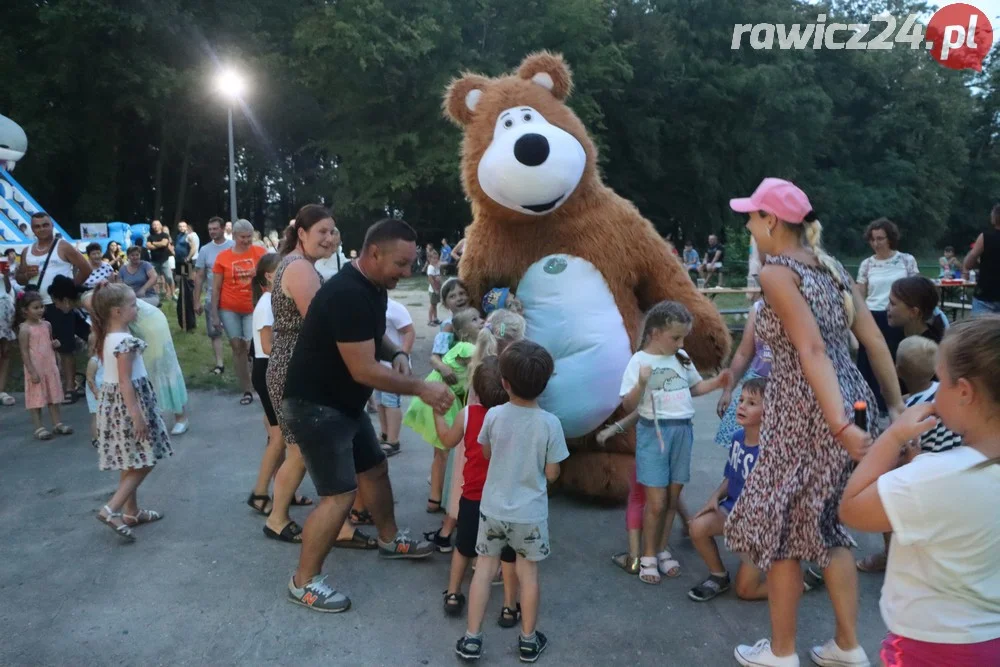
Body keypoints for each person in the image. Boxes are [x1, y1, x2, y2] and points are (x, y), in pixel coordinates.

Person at [725, 178, 904, 667]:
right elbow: (871, 341)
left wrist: (840, 425)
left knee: (784, 527)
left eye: (752, 215)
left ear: (772, 221)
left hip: (805, 407)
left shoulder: (777, 274)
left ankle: (781, 653)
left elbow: (811, 348)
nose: (747, 224)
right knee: (827, 525)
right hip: (847, 394)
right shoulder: (832, 267)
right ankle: (848, 644)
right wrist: (896, 407)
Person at [280, 218, 454, 613]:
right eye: (401, 264)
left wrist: (396, 352)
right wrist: (423, 389)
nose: (407, 272)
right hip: (315, 406)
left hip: (343, 402)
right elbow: (363, 370)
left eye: (411, 264)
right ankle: (303, 582)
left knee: (374, 469)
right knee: (339, 496)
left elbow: (372, 335)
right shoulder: (347, 294)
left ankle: (389, 539)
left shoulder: (371, 286)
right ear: (374, 253)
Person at [839, 316, 1000, 667]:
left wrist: (893, 436)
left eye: (940, 380)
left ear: (964, 392)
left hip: (931, 646)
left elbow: (851, 509)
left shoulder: (936, 476)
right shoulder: (940, 474)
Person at [455, 340, 568, 662]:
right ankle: (528, 640)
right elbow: (552, 473)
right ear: (545, 384)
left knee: (484, 570)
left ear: (504, 383)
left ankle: (472, 638)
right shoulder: (550, 424)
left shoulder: (492, 416)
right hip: (529, 514)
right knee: (527, 575)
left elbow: (487, 453)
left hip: (492, 509)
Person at [265, 205, 362, 546]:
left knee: (300, 451)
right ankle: (326, 522)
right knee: (311, 450)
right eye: (321, 231)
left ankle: (278, 518)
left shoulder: (299, 264)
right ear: (301, 233)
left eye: (333, 231)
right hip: (294, 370)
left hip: (294, 367)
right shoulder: (299, 269)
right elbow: (320, 324)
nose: (330, 237)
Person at [619, 301, 730, 585]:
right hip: (654, 433)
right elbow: (628, 404)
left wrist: (717, 382)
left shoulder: (680, 357)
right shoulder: (639, 362)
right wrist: (641, 384)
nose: (681, 343)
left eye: (683, 338)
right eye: (675, 337)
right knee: (655, 502)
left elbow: (693, 388)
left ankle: (661, 547)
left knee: (670, 498)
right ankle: (647, 555)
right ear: (655, 333)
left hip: (683, 431)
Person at [855, 335, 964, 574]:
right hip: (953, 468)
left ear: (898, 370)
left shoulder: (912, 413)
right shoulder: (939, 393)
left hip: (926, 475)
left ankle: (890, 554)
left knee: (886, 497)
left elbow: (908, 452)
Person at [434, 355, 520, 620]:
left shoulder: (468, 414)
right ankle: (508, 607)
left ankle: (452, 593)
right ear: (508, 386)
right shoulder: (517, 417)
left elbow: (447, 440)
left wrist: (438, 414)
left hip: (472, 497)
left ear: (476, 388)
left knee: (464, 548)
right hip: (505, 500)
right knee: (507, 555)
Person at [91, 283, 171, 542]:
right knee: (146, 459)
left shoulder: (109, 336)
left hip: (116, 403)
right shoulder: (124, 342)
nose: (137, 308)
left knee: (130, 459)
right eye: (133, 305)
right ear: (116, 311)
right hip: (128, 405)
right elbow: (125, 381)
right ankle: (111, 508)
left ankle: (131, 512)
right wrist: (137, 416)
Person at [690, 379, 768, 601]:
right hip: (732, 511)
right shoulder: (737, 439)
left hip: (759, 525)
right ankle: (718, 576)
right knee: (697, 526)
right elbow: (731, 475)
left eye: (752, 403)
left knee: (745, 591)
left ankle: (796, 583)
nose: (741, 406)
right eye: (741, 399)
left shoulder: (771, 451)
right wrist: (714, 497)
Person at [404, 307, 483, 526]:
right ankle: (445, 499)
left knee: (441, 453)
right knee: (446, 451)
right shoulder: (467, 347)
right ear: (464, 333)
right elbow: (484, 367)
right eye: (475, 320)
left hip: (437, 399)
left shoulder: (463, 346)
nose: (481, 321)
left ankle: (435, 498)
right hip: (438, 400)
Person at [15, 212, 92, 398]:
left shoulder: (63, 246)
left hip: (58, 305)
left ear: (51, 226)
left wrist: (68, 291)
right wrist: (25, 275)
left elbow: (86, 268)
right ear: (32, 229)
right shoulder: (27, 251)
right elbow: (19, 278)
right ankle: (49, 387)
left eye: (45, 225)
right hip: (36, 307)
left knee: (65, 347)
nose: (42, 229)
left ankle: (70, 389)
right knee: (42, 348)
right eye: (37, 226)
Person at [856, 217, 920, 413]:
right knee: (870, 362)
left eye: (881, 238)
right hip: (873, 315)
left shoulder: (906, 260)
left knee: (897, 358)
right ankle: (871, 402)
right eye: (873, 239)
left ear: (890, 238)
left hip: (899, 316)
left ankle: (898, 401)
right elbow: (860, 295)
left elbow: (916, 288)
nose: (876, 243)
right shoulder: (867, 264)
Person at [247, 253, 287, 517]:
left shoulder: (271, 301)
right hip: (268, 369)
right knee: (279, 436)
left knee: (279, 436)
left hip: (268, 369)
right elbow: (266, 345)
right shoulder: (267, 303)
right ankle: (260, 493)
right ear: (270, 276)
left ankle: (284, 491)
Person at [210, 219, 267, 406]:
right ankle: (246, 389)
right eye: (243, 237)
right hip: (229, 308)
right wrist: (214, 314)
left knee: (252, 346)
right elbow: (216, 288)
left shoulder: (260, 253)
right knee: (237, 347)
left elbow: (270, 277)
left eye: (249, 237)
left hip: (254, 307)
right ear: (234, 236)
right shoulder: (223, 258)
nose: (246, 241)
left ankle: (261, 384)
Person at [714, 298, 771, 447]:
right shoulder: (759, 308)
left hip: (788, 386)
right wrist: (728, 390)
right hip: (758, 380)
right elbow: (744, 353)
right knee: (739, 435)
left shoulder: (803, 306)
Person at [16, 291, 72, 439]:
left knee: (53, 396)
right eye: (35, 307)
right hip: (36, 368)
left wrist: (55, 345)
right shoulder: (25, 329)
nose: (40, 310)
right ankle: (39, 427)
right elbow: (24, 352)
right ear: (25, 310)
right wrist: (31, 371)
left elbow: (49, 342)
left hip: (49, 366)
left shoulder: (47, 325)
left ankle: (57, 423)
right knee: (36, 398)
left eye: (41, 306)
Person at [193, 217, 234, 374]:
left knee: (236, 333)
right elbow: (199, 276)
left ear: (223, 229)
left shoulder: (232, 246)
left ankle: (243, 361)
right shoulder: (204, 250)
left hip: (232, 296)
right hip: (212, 297)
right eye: (210, 229)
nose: (212, 232)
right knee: (214, 332)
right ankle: (220, 364)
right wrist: (196, 301)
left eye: (215, 229)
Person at [376, 297, 415, 457]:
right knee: (380, 401)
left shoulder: (393, 308)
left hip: (393, 365)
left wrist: (403, 355)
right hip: (377, 365)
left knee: (391, 402)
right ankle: (385, 434)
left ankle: (393, 440)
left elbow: (409, 331)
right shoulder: (371, 306)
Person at [963, 203, 1000, 314]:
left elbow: (968, 264)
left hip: (986, 295)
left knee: (981, 331)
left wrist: (978, 260)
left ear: (993, 218)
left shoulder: (985, 237)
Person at [0, 258, 21, 406]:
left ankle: (1, 390)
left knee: (5, 351)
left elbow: (7, 289)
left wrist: (5, 275)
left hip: (4, 308)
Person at [173, 221, 199, 332]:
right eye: (180, 226)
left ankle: (189, 320)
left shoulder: (189, 236)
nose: (182, 228)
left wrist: (188, 258)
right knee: (181, 285)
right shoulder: (179, 236)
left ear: (187, 227)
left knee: (187, 286)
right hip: (179, 263)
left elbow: (193, 248)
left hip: (186, 264)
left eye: (184, 226)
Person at [146, 220, 174, 302]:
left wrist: (153, 243)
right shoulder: (150, 236)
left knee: (169, 277)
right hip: (154, 261)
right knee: (154, 278)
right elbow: (148, 246)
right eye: (153, 225)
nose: (155, 226)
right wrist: (159, 244)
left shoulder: (165, 235)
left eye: (157, 225)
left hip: (164, 260)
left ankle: (172, 294)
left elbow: (164, 244)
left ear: (160, 226)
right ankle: (156, 295)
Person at [85, 333, 103, 448]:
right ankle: (96, 438)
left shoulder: (106, 360)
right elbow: (90, 379)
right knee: (96, 415)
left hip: (105, 391)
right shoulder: (94, 361)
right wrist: (95, 391)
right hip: (95, 392)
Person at [426, 247, 442, 325]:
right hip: (433, 290)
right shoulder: (430, 267)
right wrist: (435, 289)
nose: (436, 260)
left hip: (437, 289)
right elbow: (430, 279)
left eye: (437, 258)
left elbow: (438, 277)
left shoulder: (436, 267)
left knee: (435, 305)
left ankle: (435, 318)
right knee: (432, 305)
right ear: (430, 259)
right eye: (434, 258)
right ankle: (430, 320)